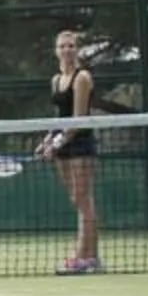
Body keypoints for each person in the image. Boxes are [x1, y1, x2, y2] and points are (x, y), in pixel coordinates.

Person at [38, 28, 103, 274]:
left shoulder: (82, 77)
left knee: (84, 199)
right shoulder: (55, 81)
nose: (66, 50)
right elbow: (59, 118)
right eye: (62, 46)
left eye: (71, 46)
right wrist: (47, 141)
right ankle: (92, 258)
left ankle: (81, 257)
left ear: (78, 50)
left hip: (80, 144)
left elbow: (77, 120)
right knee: (77, 199)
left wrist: (57, 143)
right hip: (62, 146)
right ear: (56, 51)